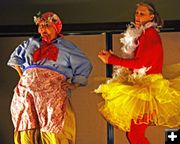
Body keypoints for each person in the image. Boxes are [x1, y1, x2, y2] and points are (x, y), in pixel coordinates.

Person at [95, 2, 180, 144]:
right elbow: (139, 64)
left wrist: (112, 59)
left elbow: (141, 63)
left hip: (149, 90)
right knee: (134, 135)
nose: (138, 16)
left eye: (142, 14)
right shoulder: (144, 34)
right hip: (143, 86)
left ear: (151, 17)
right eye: (136, 13)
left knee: (135, 135)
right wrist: (114, 58)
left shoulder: (150, 34)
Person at [7, 11, 92, 144]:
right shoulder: (31, 42)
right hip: (27, 93)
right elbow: (15, 58)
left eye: (46, 25)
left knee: (53, 129)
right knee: (27, 125)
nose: (42, 28)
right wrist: (24, 77)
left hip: (52, 93)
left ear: (56, 27)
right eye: (40, 25)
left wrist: (74, 84)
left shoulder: (66, 46)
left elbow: (84, 64)